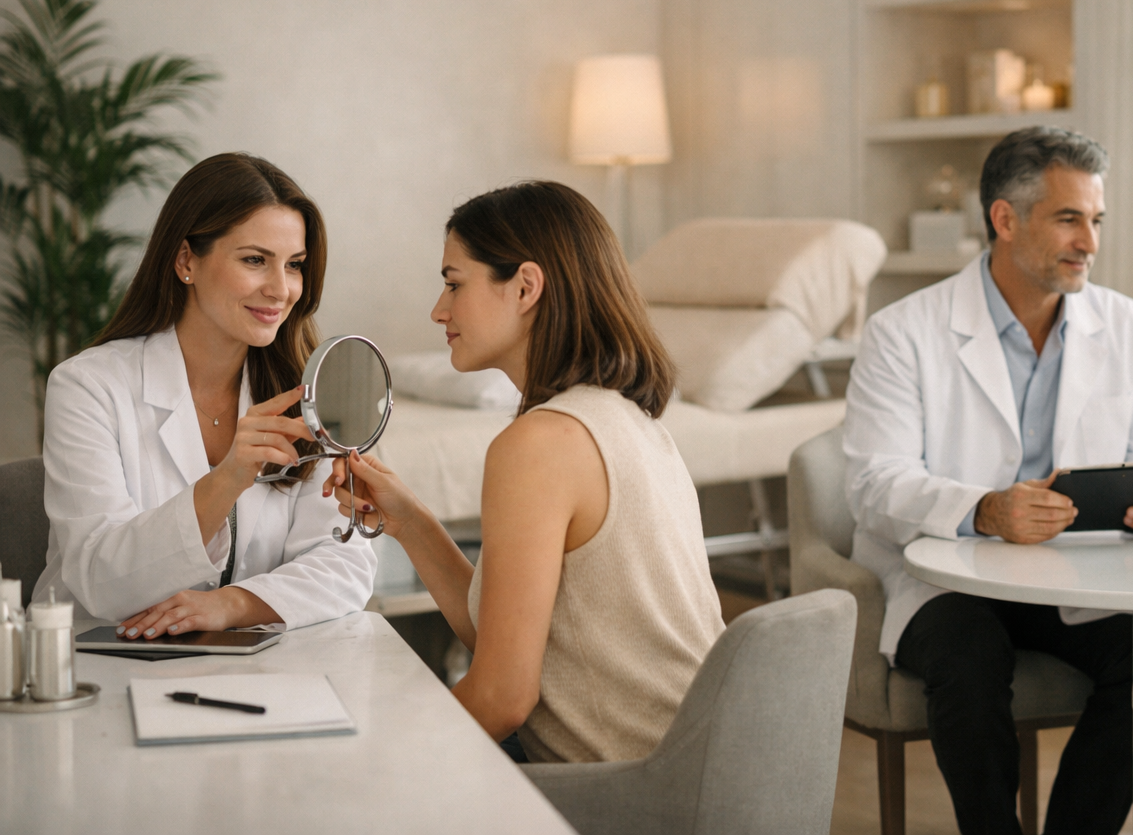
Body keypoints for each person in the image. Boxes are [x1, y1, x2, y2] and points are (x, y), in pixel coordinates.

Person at [844, 126, 1133, 835]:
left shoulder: (1129, 326)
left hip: (1074, 574)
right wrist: (983, 509)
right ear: (1004, 219)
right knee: (969, 656)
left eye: (1095, 220)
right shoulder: (903, 331)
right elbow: (873, 481)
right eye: (1068, 218)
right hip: (947, 576)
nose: (1090, 242)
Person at [324, 181, 724, 763]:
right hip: (689, 768)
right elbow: (505, 645)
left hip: (620, 791)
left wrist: (372, 762)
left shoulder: (537, 444)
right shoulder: (627, 418)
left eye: (454, 284)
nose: (439, 310)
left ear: (526, 287)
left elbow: (501, 698)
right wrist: (408, 520)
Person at [36, 153, 375, 636]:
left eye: (294, 265)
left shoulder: (303, 390)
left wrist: (234, 605)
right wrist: (228, 478)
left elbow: (346, 563)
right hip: (100, 664)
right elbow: (100, 579)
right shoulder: (88, 387)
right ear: (186, 260)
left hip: (253, 668)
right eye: (255, 260)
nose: (281, 289)